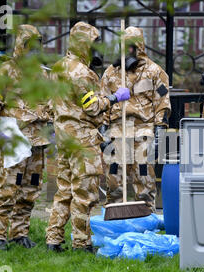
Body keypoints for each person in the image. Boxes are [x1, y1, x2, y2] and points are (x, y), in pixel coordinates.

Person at [45, 22, 129, 253]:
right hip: (82, 139)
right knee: (85, 193)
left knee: (64, 190)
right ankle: (82, 243)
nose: (96, 50)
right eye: (93, 44)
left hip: (63, 138)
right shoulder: (82, 72)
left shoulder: (59, 67)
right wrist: (114, 98)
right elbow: (92, 107)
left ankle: (54, 239)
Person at [0, 25, 52, 250]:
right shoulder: (5, 71)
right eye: (30, 46)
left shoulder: (43, 74)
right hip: (14, 139)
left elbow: (52, 104)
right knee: (8, 187)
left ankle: (19, 233)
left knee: (31, 189)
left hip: (37, 143)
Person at [100, 26, 171, 213]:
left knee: (144, 179)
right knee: (114, 178)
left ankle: (145, 217)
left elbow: (163, 103)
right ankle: (115, 217)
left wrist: (159, 132)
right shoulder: (111, 72)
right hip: (117, 131)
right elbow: (103, 101)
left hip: (143, 132)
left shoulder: (154, 72)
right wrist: (102, 130)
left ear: (138, 46)